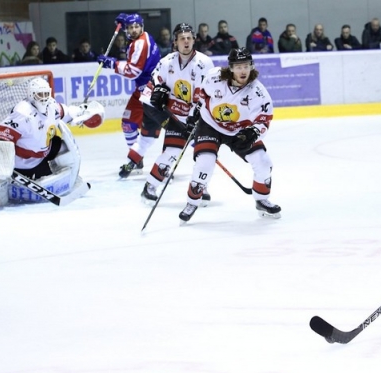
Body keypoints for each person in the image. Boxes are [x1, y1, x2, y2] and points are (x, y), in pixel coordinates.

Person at [178, 47, 280, 223]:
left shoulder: (258, 92)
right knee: (205, 162)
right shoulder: (214, 77)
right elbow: (201, 95)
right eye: (239, 66)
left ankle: (261, 199)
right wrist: (194, 113)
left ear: (252, 67)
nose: (243, 70)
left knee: (263, 162)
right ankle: (192, 201)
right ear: (231, 68)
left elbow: (264, 120)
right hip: (210, 124)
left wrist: (252, 133)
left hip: (238, 131)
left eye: (246, 66)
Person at [0, 77, 104, 206]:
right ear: (31, 95)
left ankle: (69, 179)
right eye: (40, 94)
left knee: (64, 149)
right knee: (4, 182)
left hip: (42, 156)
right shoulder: (23, 113)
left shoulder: (52, 106)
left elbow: (67, 112)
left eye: (46, 94)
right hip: (22, 164)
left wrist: (84, 112)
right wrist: (3, 168)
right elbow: (2, 133)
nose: (44, 98)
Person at [137, 23, 214, 205]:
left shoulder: (204, 63)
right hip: (171, 114)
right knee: (172, 151)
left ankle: (199, 186)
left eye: (189, 38)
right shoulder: (166, 62)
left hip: (199, 115)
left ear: (194, 40)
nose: (186, 41)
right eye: (182, 38)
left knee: (204, 153)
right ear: (175, 42)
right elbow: (151, 88)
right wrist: (156, 94)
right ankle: (150, 187)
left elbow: (207, 94)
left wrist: (194, 119)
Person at [97, 13, 161, 178]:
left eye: (136, 26)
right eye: (130, 27)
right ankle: (137, 159)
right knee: (128, 123)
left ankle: (202, 149)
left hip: (152, 92)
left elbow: (133, 71)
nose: (134, 30)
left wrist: (112, 64)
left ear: (142, 26)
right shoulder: (140, 39)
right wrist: (125, 18)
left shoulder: (140, 43)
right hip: (141, 91)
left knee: (174, 127)